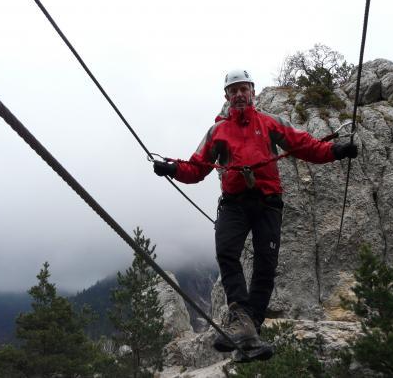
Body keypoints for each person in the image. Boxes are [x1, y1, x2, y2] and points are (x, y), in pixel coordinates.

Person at [153, 69, 357, 353]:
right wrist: (172, 169)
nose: (238, 94)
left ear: (252, 92)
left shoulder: (271, 123)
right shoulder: (218, 131)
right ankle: (242, 320)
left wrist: (336, 151)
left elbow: (305, 146)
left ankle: (251, 329)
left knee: (265, 265)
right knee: (227, 253)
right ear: (226, 97)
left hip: (267, 202)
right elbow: (197, 168)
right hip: (234, 203)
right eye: (233, 90)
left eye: (243, 89)